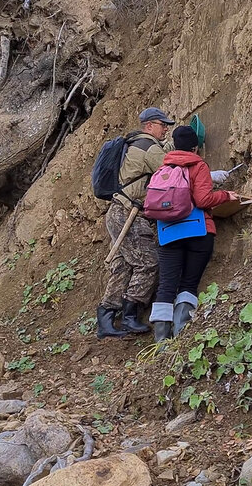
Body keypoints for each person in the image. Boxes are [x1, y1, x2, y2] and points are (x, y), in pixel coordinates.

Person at [149, 125, 240, 341]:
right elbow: (203, 200)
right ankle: (181, 334)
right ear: (195, 148)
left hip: (168, 233)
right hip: (198, 231)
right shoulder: (198, 165)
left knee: (166, 286)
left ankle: (161, 341)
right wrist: (226, 195)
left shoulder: (162, 169)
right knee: (188, 283)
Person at [98, 107, 175, 339]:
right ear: (149, 125)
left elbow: (161, 156)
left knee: (122, 266)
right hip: (128, 213)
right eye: (163, 125)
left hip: (116, 211)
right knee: (148, 262)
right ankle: (130, 316)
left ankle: (106, 319)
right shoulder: (148, 147)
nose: (166, 129)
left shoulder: (136, 145)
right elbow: (169, 166)